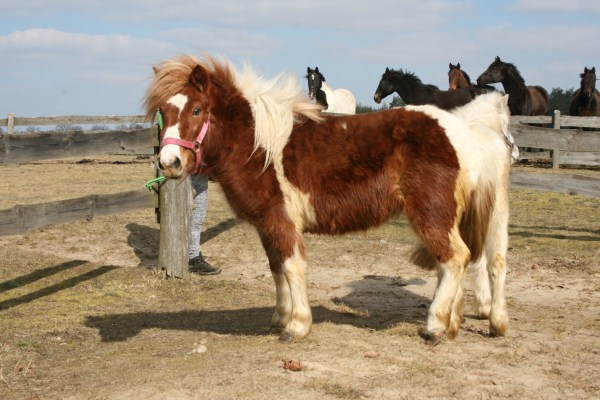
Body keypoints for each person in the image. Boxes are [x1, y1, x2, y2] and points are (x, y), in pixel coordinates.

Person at [188, 173, 221, 275]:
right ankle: (192, 259)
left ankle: (193, 255)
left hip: (199, 176)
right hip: (192, 174)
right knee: (194, 221)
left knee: (195, 220)